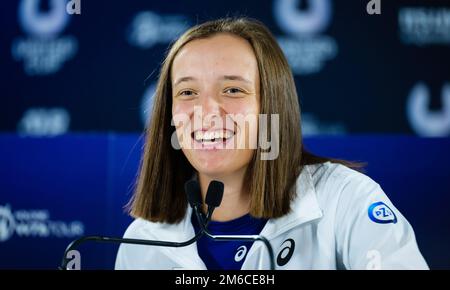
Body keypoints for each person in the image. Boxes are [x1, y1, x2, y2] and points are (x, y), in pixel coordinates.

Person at [115, 17, 428, 270]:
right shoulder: (142, 241)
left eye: (233, 90)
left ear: (272, 106)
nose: (207, 111)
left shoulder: (346, 200)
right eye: (187, 93)